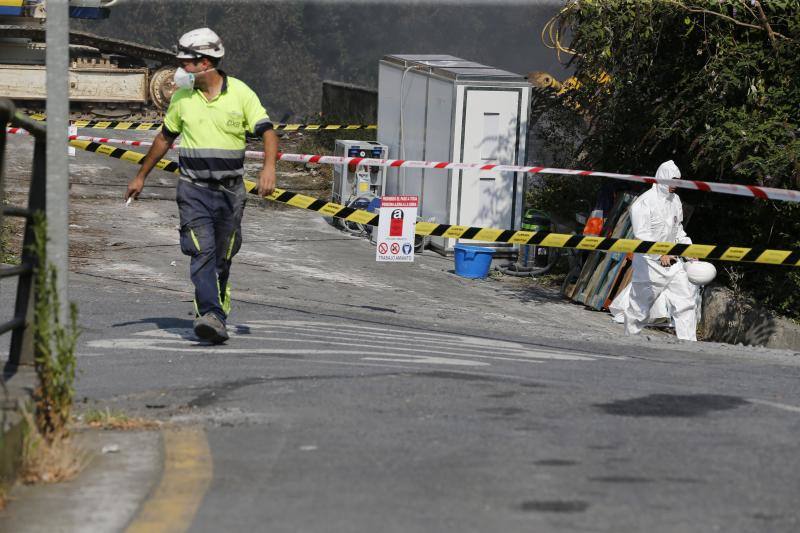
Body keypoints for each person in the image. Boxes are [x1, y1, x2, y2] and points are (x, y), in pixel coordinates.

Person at [125, 27, 278, 343]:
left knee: (222, 256)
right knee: (201, 252)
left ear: (206, 62)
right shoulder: (182, 99)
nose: (181, 70)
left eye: (187, 63)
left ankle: (217, 303)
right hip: (193, 190)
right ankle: (211, 316)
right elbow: (163, 139)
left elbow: (267, 132)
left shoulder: (241, 94)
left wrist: (269, 168)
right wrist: (141, 176)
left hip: (230, 193)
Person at [623, 160, 699, 341]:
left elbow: (678, 230)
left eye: (678, 181)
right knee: (639, 309)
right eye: (672, 180)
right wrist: (660, 253)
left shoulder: (676, 201)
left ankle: (690, 347)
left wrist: (688, 250)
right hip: (649, 265)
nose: (675, 185)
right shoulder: (644, 203)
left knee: (686, 303)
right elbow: (642, 236)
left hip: (673, 263)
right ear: (662, 177)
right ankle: (629, 342)